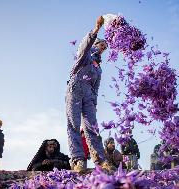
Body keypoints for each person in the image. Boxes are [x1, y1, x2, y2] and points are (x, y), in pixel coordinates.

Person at [65, 16, 114, 172]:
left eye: (105, 46)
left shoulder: (99, 68)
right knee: (74, 123)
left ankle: (100, 160)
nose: (103, 47)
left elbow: (96, 88)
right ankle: (78, 160)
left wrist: (94, 103)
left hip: (89, 95)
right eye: (101, 44)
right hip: (75, 87)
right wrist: (96, 29)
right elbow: (84, 46)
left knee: (92, 127)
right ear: (95, 43)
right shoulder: (85, 56)